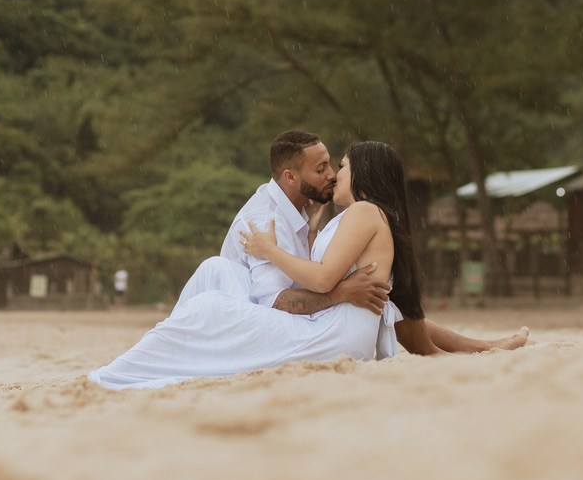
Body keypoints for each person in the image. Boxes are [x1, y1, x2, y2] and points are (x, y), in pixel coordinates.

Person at [87, 138, 527, 390]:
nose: (336, 174)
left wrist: (270, 250)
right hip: (340, 331)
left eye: (342, 166)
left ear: (364, 176)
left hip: (335, 336)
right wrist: (486, 350)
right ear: (291, 176)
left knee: (208, 308)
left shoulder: (362, 214)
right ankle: (130, 370)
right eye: (327, 168)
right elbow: (403, 321)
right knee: (214, 277)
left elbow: (319, 279)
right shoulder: (355, 217)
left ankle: (116, 375)